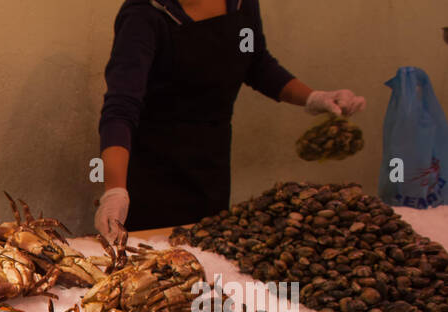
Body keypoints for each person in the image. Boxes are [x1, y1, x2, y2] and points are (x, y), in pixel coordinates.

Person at [95, 0, 365, 238]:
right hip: (154, 177)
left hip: (212, 168)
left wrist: (314, 98)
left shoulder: (240, 3)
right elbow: (120, 108)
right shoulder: (144, 15)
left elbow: (257, 62)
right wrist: (115, 191)